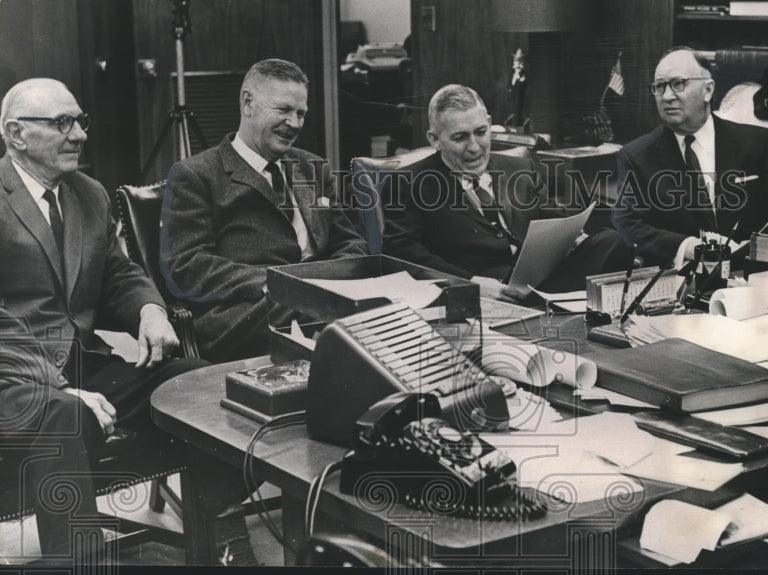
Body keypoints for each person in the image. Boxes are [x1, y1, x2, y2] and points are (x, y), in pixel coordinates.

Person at [0, 78, 258, 565]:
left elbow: (117, 272)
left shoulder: (88, 194)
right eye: (61, 123)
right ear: (16, 134)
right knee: (64, 416)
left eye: (80, 121)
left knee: (196, 380)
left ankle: (222, 535)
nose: (78, 134)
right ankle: (81, 562)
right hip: (15, 377)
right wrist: (58, 387)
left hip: (85, 364)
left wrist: (150, 310)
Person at [161, 59, 368, 362]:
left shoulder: (312, 167)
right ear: (248, 103)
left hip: (319, 298)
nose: (295, 123)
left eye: (301, 114)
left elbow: (351, 242)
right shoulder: (196, 174)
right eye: (284, 110)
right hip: (245, 311)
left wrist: (328, 279)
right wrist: (278, 284)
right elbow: (185, 265)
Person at [381, 84, 632, 302]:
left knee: (612, 242)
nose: (474, 147)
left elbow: (552, 217)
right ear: (435, 140)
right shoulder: (406, 183)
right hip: (482, 291)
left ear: (490, 124)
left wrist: (571, 237)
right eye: (459, 138)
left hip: (540, 279)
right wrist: (470, 283)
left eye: (481, 132)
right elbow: (403, 255)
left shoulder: (520, 167)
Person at [613, 47, 768, 269]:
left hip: (753, 278)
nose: (667, 96)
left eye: (678, 84)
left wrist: (749, 251)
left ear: (707, 90)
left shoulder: (758, 144)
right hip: (682, 280)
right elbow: (628, 223)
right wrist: (689, 247)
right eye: (659, 87)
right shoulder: (637, 156)